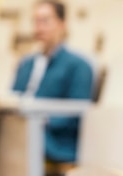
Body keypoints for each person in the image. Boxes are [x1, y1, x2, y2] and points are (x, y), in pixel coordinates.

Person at [12, 0, 94, 164]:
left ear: (62, 24)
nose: (39, 27)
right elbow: (13, 98)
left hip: (55, 141)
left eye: (45, 21)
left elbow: (77, 112)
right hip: (21, 130)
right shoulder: (26, 64)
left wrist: (38, 121)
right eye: (35, 21)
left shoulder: (79, 66)